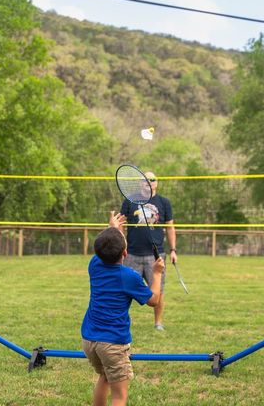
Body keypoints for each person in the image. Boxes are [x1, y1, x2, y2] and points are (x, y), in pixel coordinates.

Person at [81, 211, 165, 406]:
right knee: (119, 395)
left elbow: (106, 246)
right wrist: (157, 274)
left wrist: (112, 227)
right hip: (112, 344)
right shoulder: (128, 276)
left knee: (105, 377)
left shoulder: (94, 265)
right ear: (125, 254)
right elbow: (153, 300)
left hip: (89, 340)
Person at [120, 171, 176, 331]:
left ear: (156, 183)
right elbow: (121, 225)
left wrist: (173, 250)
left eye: (152, 180)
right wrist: (121, 246)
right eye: (145, 179)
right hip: (131, 254)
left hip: (155, 255)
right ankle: (123, 322)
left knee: (159, 291)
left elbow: (170, 227)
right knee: (124, 290)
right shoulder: (129, 201)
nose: (148, 182)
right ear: (140, 182)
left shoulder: (164, 202)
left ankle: (158, 323)